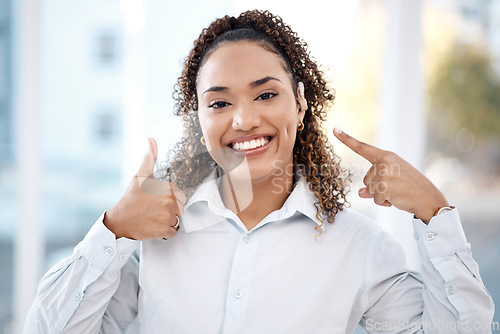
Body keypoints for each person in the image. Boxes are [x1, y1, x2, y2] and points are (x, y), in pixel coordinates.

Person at [25, 9, 494, 334]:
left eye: (266, 94)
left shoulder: (358, 246)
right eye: (219, 102)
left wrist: (435, 211)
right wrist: (113, 230)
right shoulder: (155, 235)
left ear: (301, 103)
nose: (243, 119)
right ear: (199, 120)